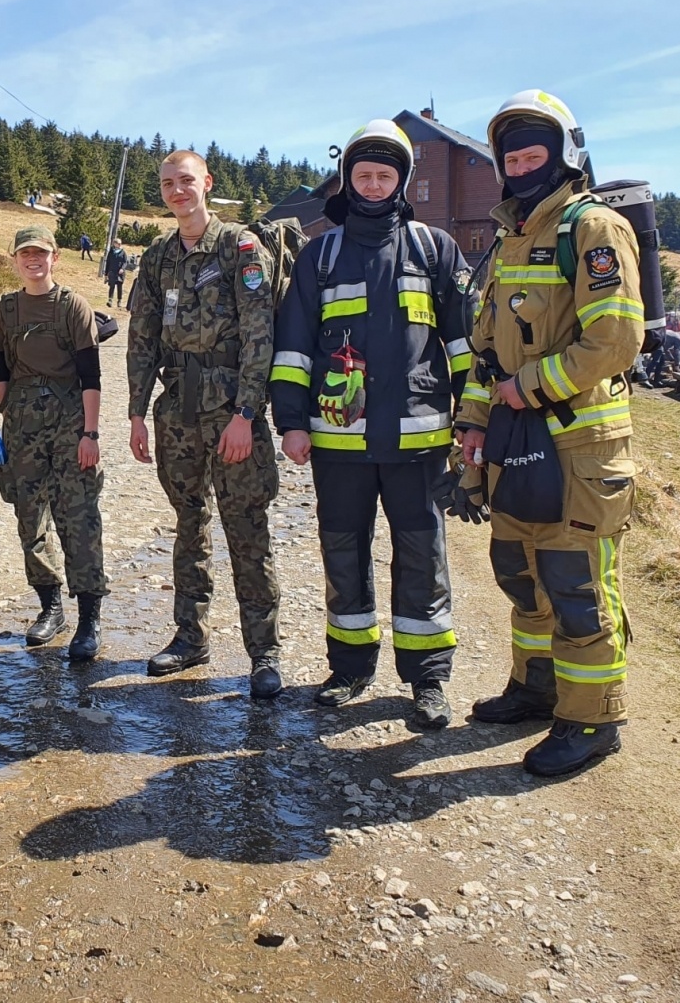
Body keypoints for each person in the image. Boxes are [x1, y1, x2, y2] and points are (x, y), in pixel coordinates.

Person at [456, 90, 644, 777]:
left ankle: (592, 720)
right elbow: (487, 353)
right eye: (511, 160)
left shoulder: (592, 229)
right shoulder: (511, 239)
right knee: (521, 573)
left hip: (581, 451)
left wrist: (528, 387)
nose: (521, 169)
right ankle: (536, 689)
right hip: (514, 444)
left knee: (576, 585)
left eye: (533, 156)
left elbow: (614, 342)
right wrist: (474, 423)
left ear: (564, 156)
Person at [270, 120, 469, 728]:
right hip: (340, 442)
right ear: (347, 181)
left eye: (385, 175)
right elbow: (293, 348)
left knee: (422, 556)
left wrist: (474, 421)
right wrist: (291, 422)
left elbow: (465, 347)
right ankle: (350, 668)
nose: (375, 185)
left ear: (401, 182)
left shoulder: (436, 250)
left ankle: (428, 679)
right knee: (343, 552)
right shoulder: (320, 255)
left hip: (419, 441)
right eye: (364, 175)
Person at [128, 149, 282, 698]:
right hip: (179, 409)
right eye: (168, 183)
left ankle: (264, 653)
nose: (177, 191)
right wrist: (136, 412)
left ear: (207, 183)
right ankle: (190, 637)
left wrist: (246, 413)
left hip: (231, 409)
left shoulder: (240, 246)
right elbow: (142, 337)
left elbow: (260, 335)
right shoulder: (158, 256)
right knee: (189, 522)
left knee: (246, 527)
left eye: (186, 180)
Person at [0, 226, 108, 659]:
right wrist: (13, 416)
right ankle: (50, 608)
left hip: (70, 425)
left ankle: (89, 618)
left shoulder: (73, 306)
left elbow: (91, 377)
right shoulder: (4, 311)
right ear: (15, 260)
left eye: (40, 253)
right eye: (25, 254)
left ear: (55, 257)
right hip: (22, 428)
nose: (33, 260)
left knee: (78, 518)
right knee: (30, 518)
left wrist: (89, 434)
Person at [102, 238, 128, 307]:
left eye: (120, 243)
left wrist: (122, 268)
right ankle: (110, 300)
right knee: (112, 286)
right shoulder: (111, 252)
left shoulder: (123, 252)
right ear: (114, 244)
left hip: (120, 273)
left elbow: (125, 262)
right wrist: (106, 274)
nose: (119, 245)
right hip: (112, 272)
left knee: (119, 287)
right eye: (118, 243)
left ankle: (119, 301)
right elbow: (108, 263)